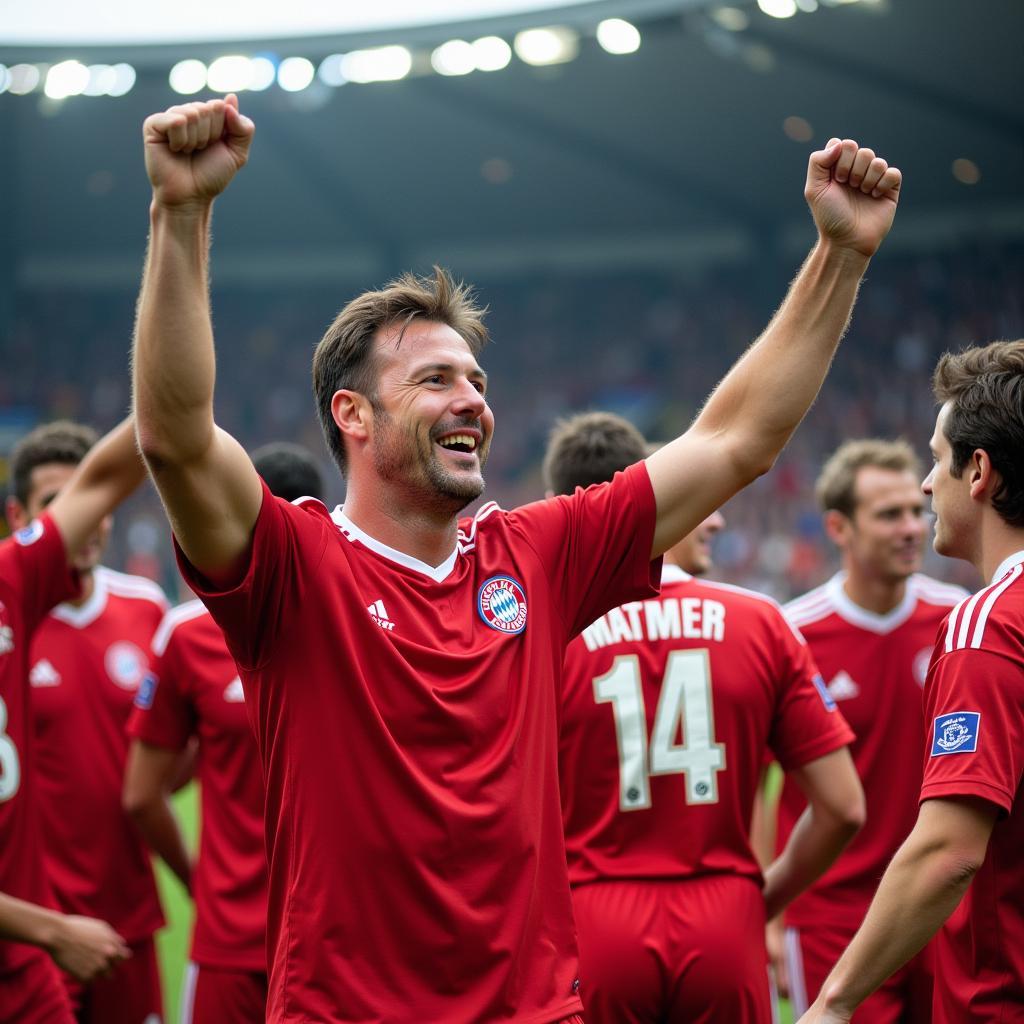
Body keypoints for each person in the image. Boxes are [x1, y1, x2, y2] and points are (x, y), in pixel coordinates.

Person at [131, 91, 900, 1022]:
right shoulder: (291, 566)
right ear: (353, 415)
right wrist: (183, 213)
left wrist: (840, 257)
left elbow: (736, 441)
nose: (472, 400)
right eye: (435, 380)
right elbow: (175, 437)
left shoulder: (535, 552)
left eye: (478, 381)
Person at [546, 413, 864, 1024]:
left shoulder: (551, 635)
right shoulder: (761, 620)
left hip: (594, 914)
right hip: (724, 916)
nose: (715, 516)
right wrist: (757, 902)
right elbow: (844, 807)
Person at [797, 340, 1024, 1023]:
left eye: (935, 459)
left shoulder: (986, 628)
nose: (927, 486)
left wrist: (833, 1004)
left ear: (978, 471)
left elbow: (949, 851)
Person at [762, 439, 967, 1021]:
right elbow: (757, 787)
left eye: (913, 510)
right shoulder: (791, 634)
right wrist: (768, 914)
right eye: (887, 514)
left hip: (940, 906)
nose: (909, 527)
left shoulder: (959, 621)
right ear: (839, 528)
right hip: (830, 915)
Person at [122, 442, 325, 1024]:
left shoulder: (187, 634)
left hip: (236, 941)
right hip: (331, 935)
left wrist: (202, 884)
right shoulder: (366, 614)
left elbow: (143, 793)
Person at [5, 421, 170, 1023]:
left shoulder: (147, 608)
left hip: (127, 912)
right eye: (57, 504)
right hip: (35, 922)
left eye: (88, 502)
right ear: (22, 515)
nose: (84, 522)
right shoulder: (15, 617)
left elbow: (171, 752)